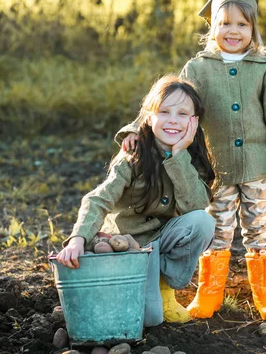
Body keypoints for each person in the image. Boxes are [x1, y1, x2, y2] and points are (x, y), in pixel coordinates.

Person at [117, 0, 266, 321]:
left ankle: (265, 293)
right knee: (217, 227)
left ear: (253, 30)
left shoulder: (262, 68)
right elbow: (169, 104)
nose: (233, 31)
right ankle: (209, 293)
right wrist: (135, 127)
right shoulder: (197, 68)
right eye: (225, 23)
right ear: (212, 27)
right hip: (214, 169)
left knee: (259, 227)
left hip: (258, 167)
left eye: (242, 25)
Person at [57, 75, 216, 325]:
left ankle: (165, 287)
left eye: (183, 114)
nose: (173, 120)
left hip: (163, 239)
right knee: (150, 319)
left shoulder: (191, 158)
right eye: (164, 111)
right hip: (130, 245)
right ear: (149, 117)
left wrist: (178, 155)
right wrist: (78, 238)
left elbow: (195, 206)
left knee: (203, 222)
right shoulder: (133, 156)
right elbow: (99, 199)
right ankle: (128, 284)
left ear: (194, 121)